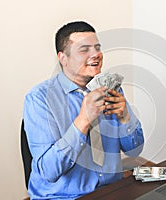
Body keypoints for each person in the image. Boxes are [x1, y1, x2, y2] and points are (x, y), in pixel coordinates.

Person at [23, 21, 144, 199]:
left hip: (112, 190)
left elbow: (135, 151)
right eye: (84, 49)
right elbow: (49, 171)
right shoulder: (39, 99)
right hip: (62, 197)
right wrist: (83, 120)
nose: (95, 55)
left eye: (97, 47)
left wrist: (125, 117)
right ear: (63, 58)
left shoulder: (111, 88)